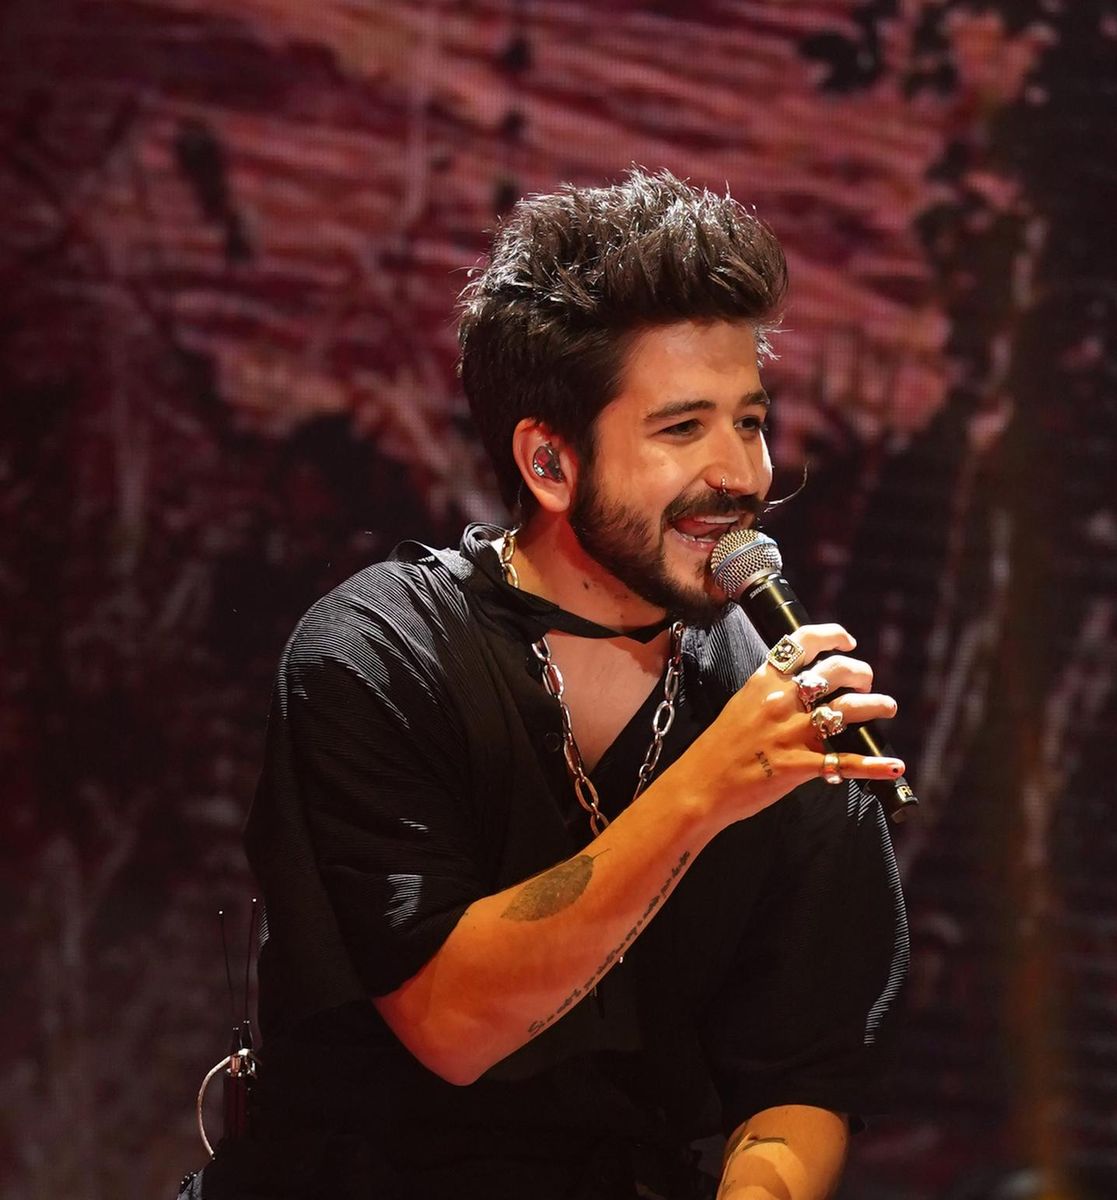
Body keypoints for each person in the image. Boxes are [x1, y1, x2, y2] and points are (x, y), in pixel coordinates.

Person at [189, 169, 909, 1200]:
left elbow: (804, 1073)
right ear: (549, 463)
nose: (741, 474)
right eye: (682, 430)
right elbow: (452, 1027)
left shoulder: (776, 704)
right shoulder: (377, 652)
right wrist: (706, 790)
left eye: (749, 422)